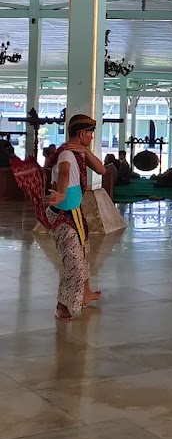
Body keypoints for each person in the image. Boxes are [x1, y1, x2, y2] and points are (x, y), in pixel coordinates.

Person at [12, 114, 106, 321]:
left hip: (75, 213)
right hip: (63, 215)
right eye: (90, 134)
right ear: (82, 133)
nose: (91, 137)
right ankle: (62, 304)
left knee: (83, 253)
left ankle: (85, 294)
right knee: (74, 262)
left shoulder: (78, 152)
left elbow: (101, 169)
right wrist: (62, 193)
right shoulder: (66, 154)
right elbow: (64, 172)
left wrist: (85, 151)